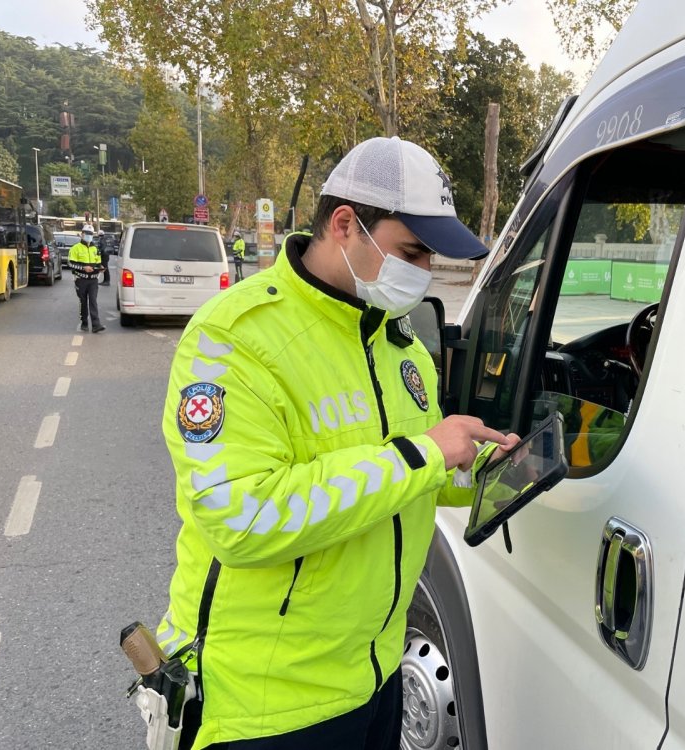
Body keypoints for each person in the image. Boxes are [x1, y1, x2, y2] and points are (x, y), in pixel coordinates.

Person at [153, 136, 519, 750]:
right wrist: (426, 452)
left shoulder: (397, 344)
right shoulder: (234, 339)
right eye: (412, 251)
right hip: (265, 707)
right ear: (346, 224)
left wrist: (483, 470)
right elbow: (241, 518)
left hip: (375, 678)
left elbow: (403, 482)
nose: (424, 273)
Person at [68, 224, 105, 332]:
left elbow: (98, 263)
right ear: (82, 234)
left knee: (93, 301)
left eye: (91, 234)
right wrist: (83, 268)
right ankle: (84, 322)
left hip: (93, 280)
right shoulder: (75, 248)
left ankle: (96, 325)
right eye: (87, 234)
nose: (89, 236)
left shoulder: (95, 248)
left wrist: (101, 267)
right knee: (83, 301)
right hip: (81, 280)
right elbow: (70, 263)